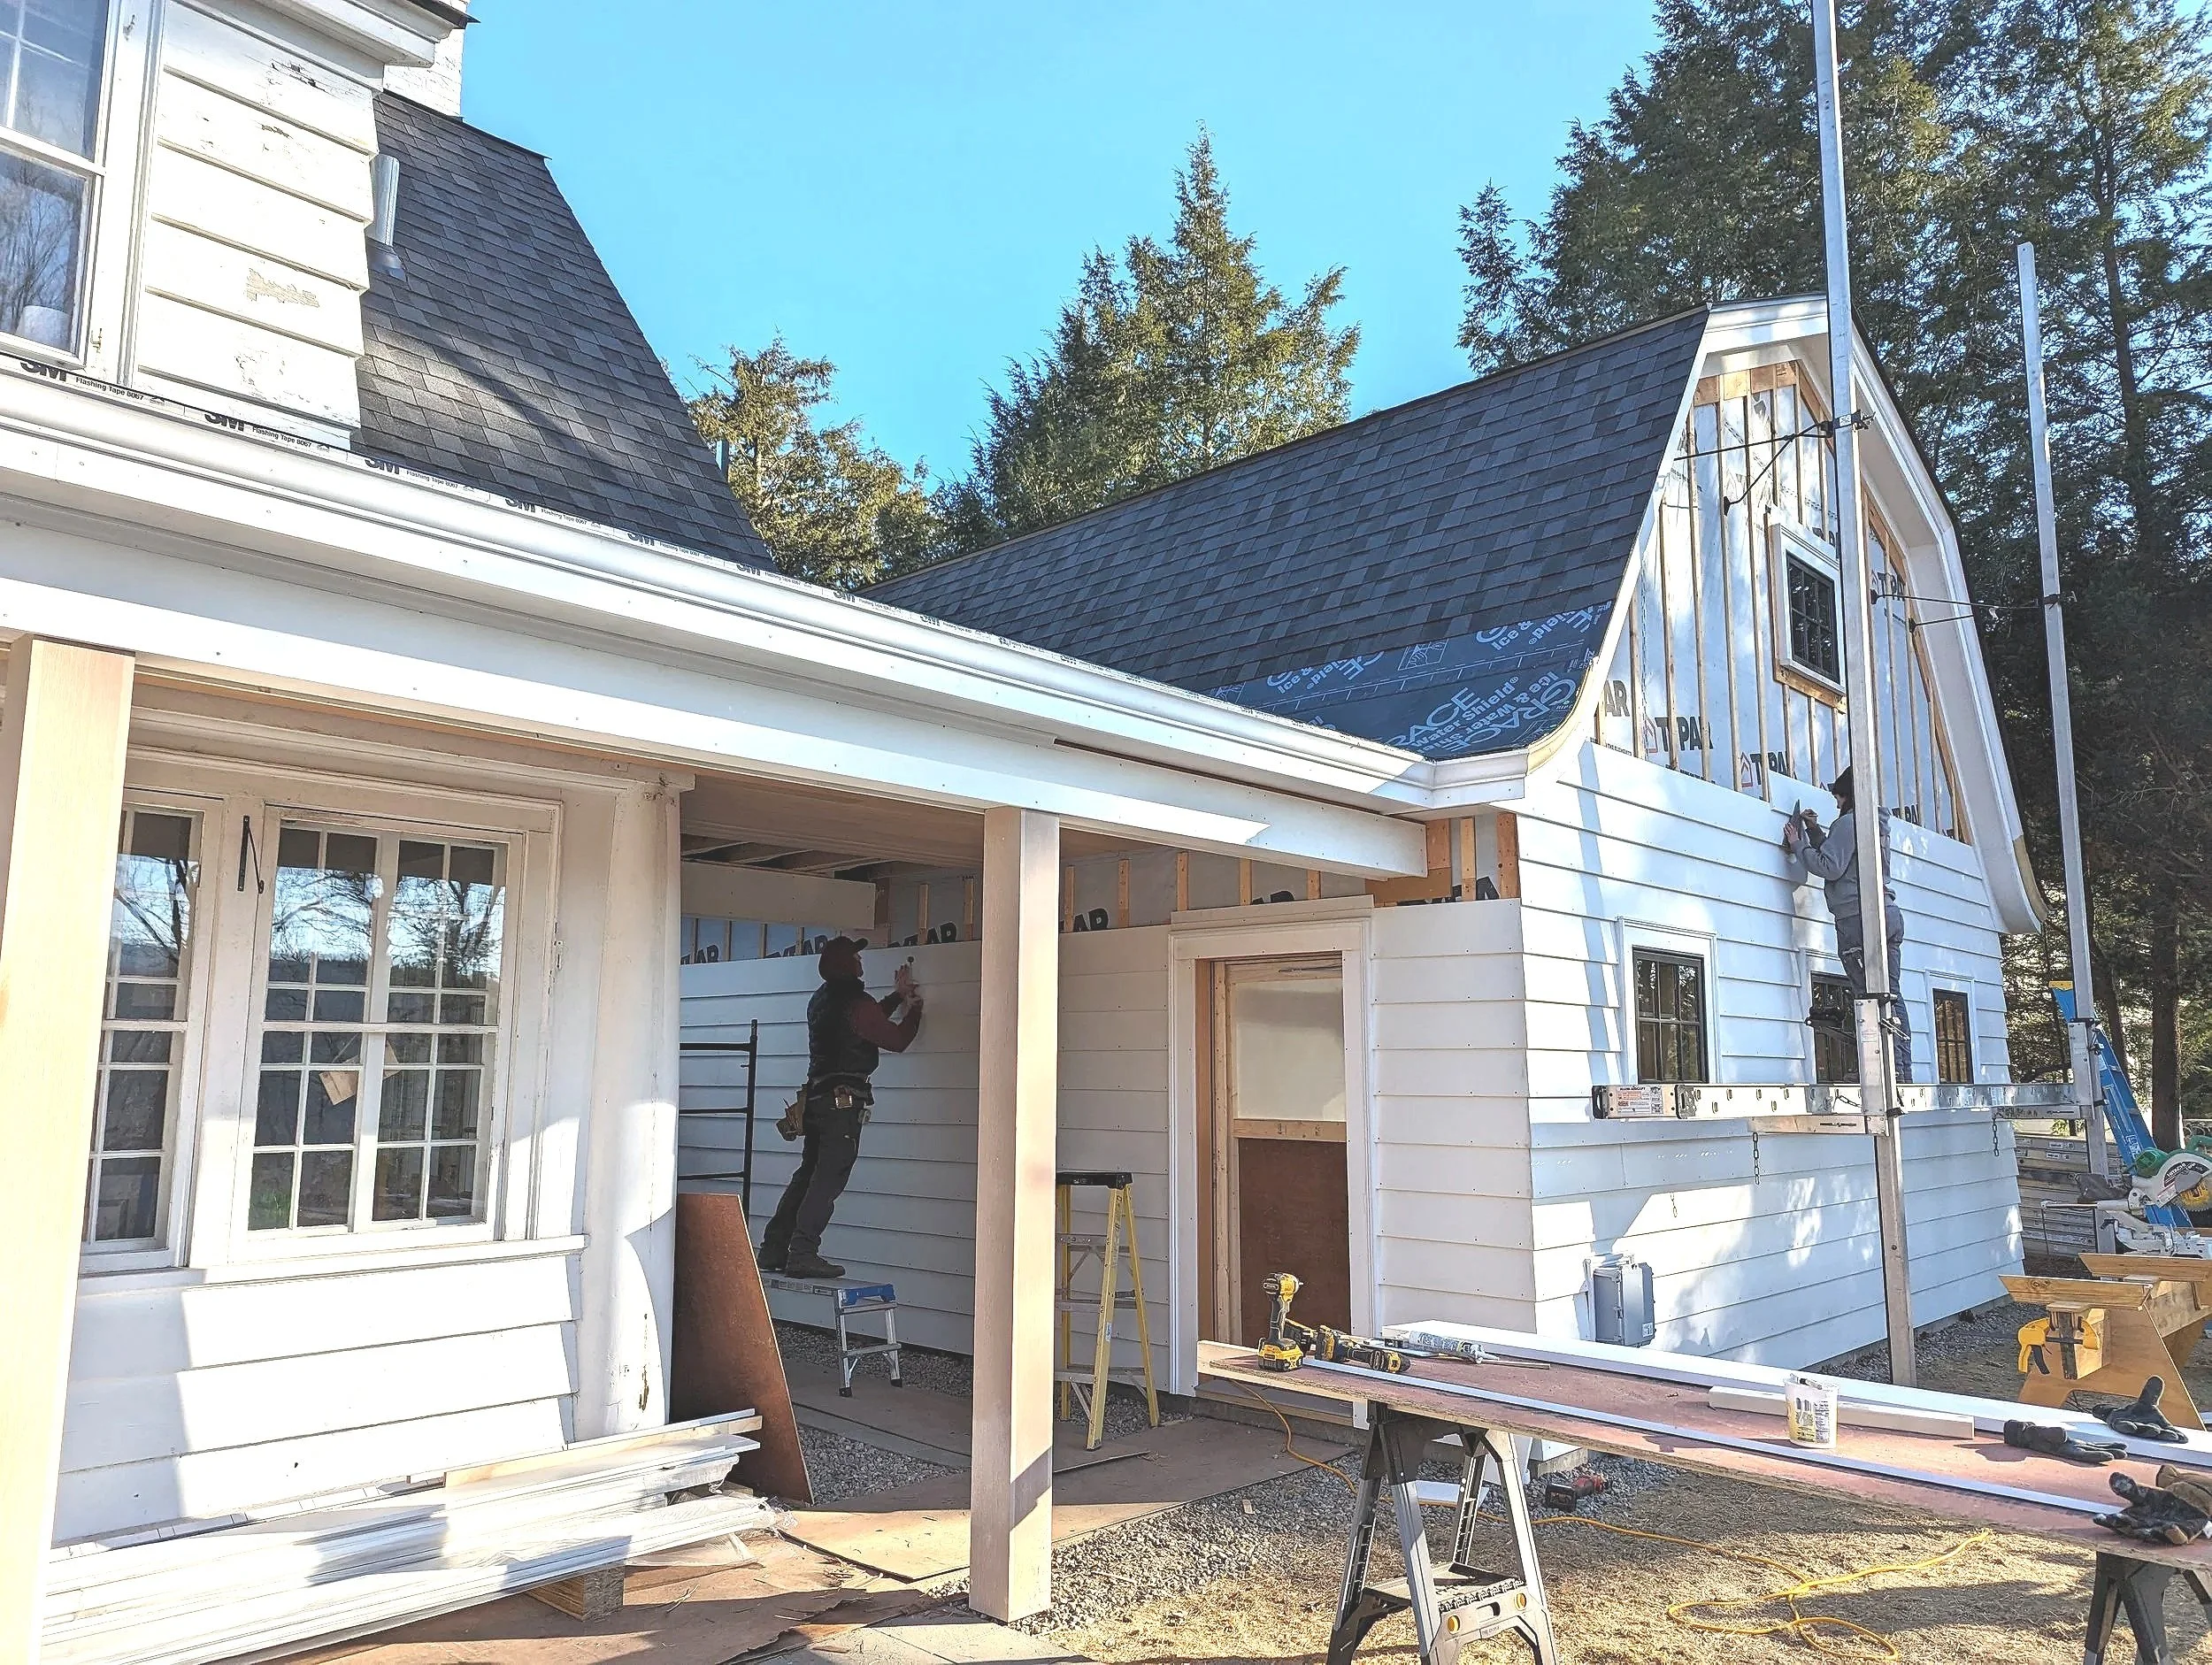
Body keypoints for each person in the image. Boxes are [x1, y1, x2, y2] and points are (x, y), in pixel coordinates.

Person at [758, 937, 923, 1279]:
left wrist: (895, 997)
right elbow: (895, 1039)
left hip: (818, 1099)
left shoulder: (821, 1000)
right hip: (841, 1105)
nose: (861, 961)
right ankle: (803, 1253)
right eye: (856, 956)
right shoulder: (855, 1002)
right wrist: (914, 1008)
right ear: (847, 964)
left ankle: (773, 1248)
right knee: (827, 1179)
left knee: (807, 1175)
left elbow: (865, 1022)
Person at [1783, 767, 1912, 1082]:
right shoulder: (1874, 825)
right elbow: (1847, 857)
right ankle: (1900, 1070)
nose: (1836, 803)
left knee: (1867, 995)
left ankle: (1879, 1070)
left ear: (1847, 795)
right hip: (1887, 913)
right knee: (1890, 993)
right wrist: (1815, 834)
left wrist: (1799, 844)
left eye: (1838, 797)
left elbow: (1829, 865)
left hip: (1858, 919)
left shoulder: (1848, 822)